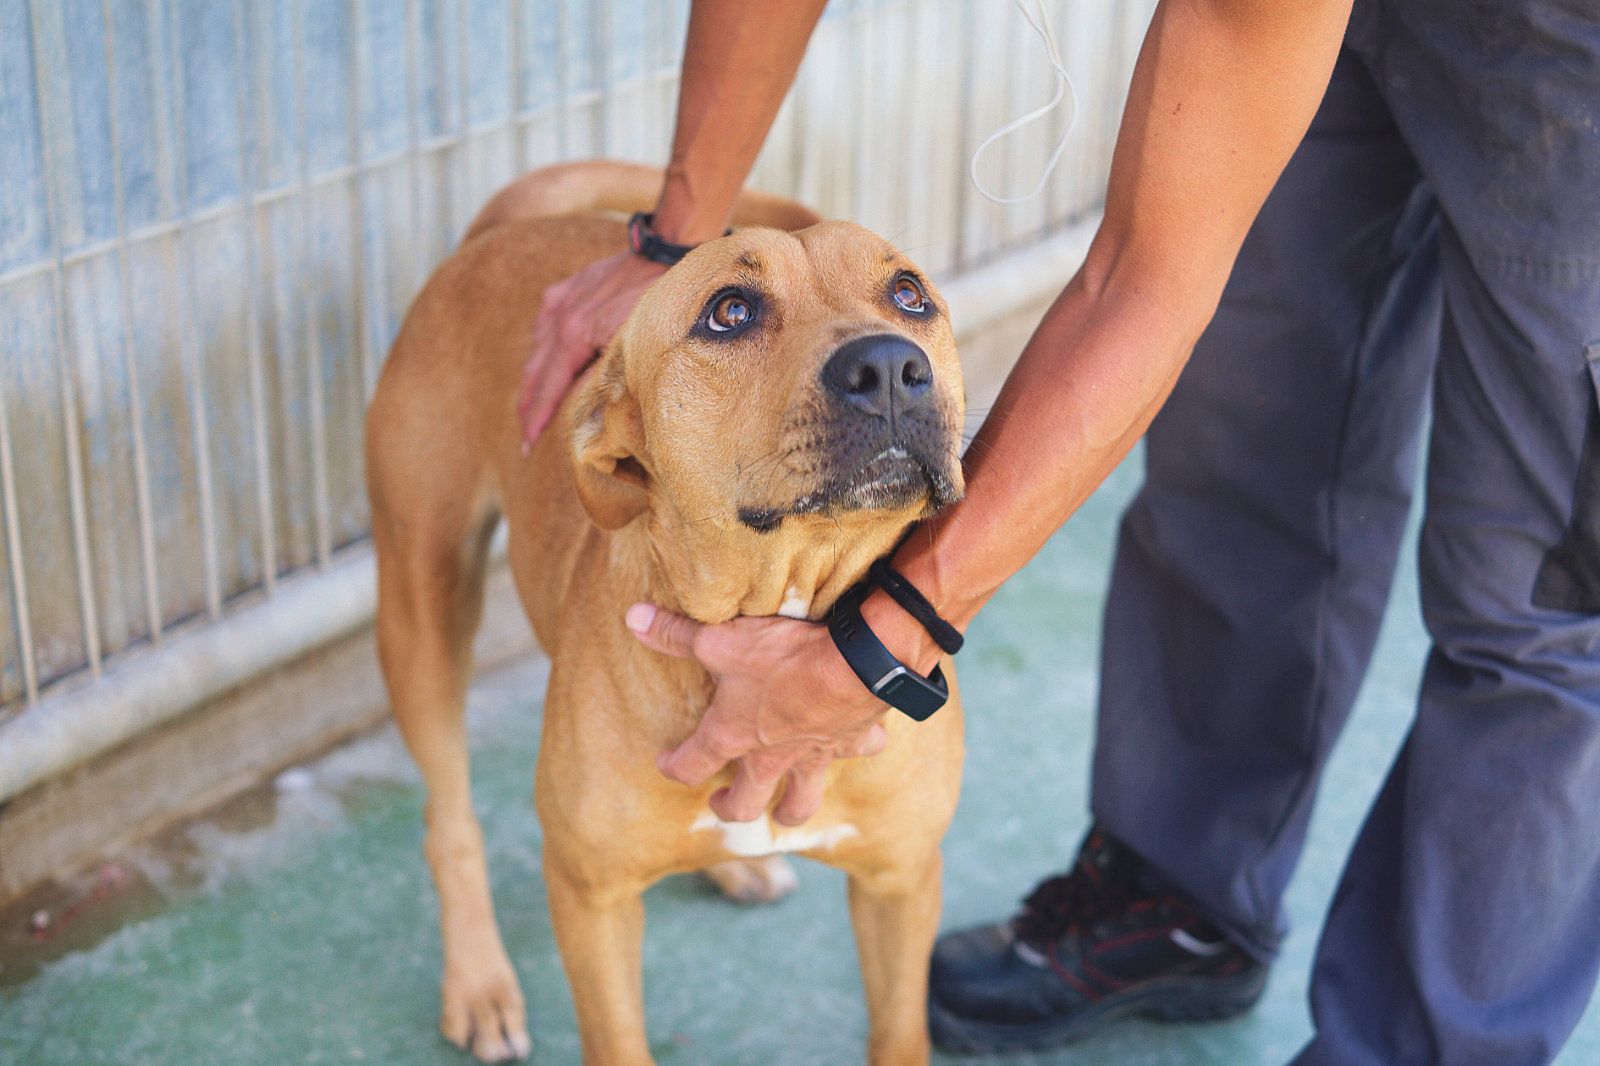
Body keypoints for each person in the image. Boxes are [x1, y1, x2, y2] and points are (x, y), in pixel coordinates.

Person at [521, 0, 1600, 1061]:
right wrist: (676, 230)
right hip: (1276, 28)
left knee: (1537, 594)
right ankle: (1178, 898)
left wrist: (887, 638)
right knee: (1245, 446)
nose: (882, 359)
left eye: (904, 306)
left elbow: (1136, 286)